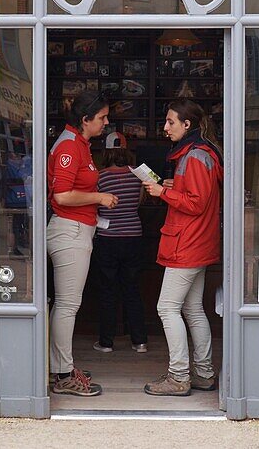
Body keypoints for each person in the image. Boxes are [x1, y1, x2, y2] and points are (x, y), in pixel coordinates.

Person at [143, 98, 223, 397]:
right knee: (192, 309)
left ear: (187, 125)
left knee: (166, 308)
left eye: (170, 122)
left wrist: (163, 192)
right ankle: (203, 373)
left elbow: (196, 203)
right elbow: (197, 195)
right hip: (198, 242)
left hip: (187, 243)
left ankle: (178, 377)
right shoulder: (203, 153)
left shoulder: (194, 156)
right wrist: (172, 186)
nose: (165, 128)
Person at [47, 91, 117, 398]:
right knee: (67, 305)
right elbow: (61, 195)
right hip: (69, 232)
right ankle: (63, 374)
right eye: (102, 117)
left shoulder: (79, 144)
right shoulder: (69, 146)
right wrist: (99, 197)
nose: (106, 122)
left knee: (64, 304)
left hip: (77, 231)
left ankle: (59, 365)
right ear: (85, 119)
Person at [92, 131, 148, 354]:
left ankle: (106, 342)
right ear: (126, 150)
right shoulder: (138, 175)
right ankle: (140, 341)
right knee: (133, 289)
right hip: (134, 236)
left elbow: (94, 206)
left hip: (108, 239)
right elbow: (141, 202)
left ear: (106, 152)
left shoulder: (99, 177)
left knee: (108, 290)